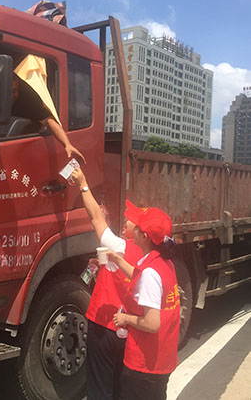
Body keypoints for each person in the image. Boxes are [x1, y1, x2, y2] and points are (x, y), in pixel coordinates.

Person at [71, 167, 144, 400]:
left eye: (130, 220)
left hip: (104, 327)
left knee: (100, 387)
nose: (125, 220)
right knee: (119, 384)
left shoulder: (119, 247)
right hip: (128, 330)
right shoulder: (149, 258)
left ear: (139, 231)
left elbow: (95, 217)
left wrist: (83, 183)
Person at [110, 207, 180, 400]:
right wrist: (118, 260)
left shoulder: (150, 273)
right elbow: (140, 277)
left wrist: (125, 318)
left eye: (138, 227)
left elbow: (152, 323)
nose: (133, 228)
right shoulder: (163, 264)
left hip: (144, 363)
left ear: (145, 236)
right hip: (162, 359)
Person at [12, 75, 86, 163]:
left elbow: (48, 121)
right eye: (8, 91)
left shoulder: (24, 105)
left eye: (14, 91)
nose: (12, 95)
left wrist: (67, 144)